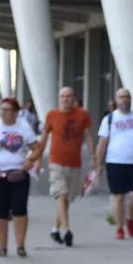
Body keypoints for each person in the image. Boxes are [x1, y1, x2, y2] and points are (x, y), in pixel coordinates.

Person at [0, 98, 40, 258]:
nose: (4, 113)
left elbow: (36, 148)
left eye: (8, 110)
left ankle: (20, 245)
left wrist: (29, 161)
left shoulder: (24, 127)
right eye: (2, 109)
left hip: (19, 174)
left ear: (16, 112)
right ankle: (2, 246)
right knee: (0, 211)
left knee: (19, 209)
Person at [95, 88, 133, 240]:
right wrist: (97, 164)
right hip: (115, 162)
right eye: (121, 97)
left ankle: (129, 218)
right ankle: (119, 227)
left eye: (127, 96)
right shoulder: (110, 119)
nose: (124, 99)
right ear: (116, 99)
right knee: (118, 196)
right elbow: (102, 142)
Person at [37, 87, 93, 247]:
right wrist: (38, 159)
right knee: (61, 194)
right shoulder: (52, 115)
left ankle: (55, 228)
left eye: (68, 96)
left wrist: (93, 157)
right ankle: (66, 230)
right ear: (59, 98)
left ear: (73, 98)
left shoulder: (82, 114)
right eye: (62, 96)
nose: (65, 99)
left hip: (75, 162)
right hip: (56, 161)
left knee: (67, 198)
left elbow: (88, 136)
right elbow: (43, 138)